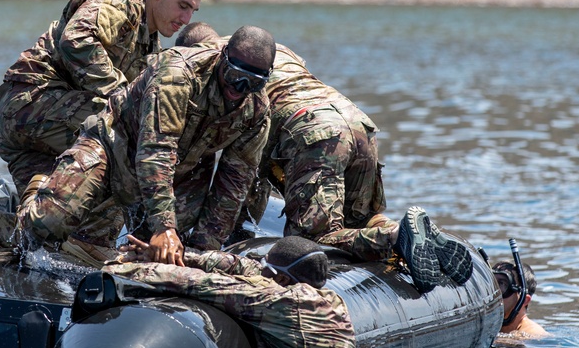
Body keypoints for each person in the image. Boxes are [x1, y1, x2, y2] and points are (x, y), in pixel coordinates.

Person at [174, 23, 472, 294]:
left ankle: (397, 237)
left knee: (308, 242)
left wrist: (215, 246)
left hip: (313, 134)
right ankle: (419, 237)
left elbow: (241, 173)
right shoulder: (264, 50)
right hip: (356, 123)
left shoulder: (217, 68)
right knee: (358, 220)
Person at [0, 0, 204, 253]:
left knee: (39, 228)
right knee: (124, 141)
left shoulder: (149, 48)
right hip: (34, 106)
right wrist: (121, 93)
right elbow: (76, 39)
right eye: (183, 5)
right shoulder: (121, 6)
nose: (186, 17)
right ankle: (96, 242)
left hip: (40, 136)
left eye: (193, 11)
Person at [16, 25, 277, 267]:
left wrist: (201, 253)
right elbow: (155, 151)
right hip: (116, 144)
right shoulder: (178, 75)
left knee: (164, 254)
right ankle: (39, 188)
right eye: (234, 76)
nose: (238, 88)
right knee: (48, 222)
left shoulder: (256, 109)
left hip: (179, 169)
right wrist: (164, 226)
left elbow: (234, 182)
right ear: (223, 57)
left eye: (252, 82)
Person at [106, 235, 368, 348]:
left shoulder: (280, 302)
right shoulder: (333, 302)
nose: (260, 274)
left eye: (267, 271)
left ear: (282, 280)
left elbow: (200, 284)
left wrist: (121, 269)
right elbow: (246, 267)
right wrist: (180, 256)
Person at [493, 260, 549, 338]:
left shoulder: (534, 334)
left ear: (524, 300)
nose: (493, 292)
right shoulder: (489, 328)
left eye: (502, 284)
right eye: (491, 283)